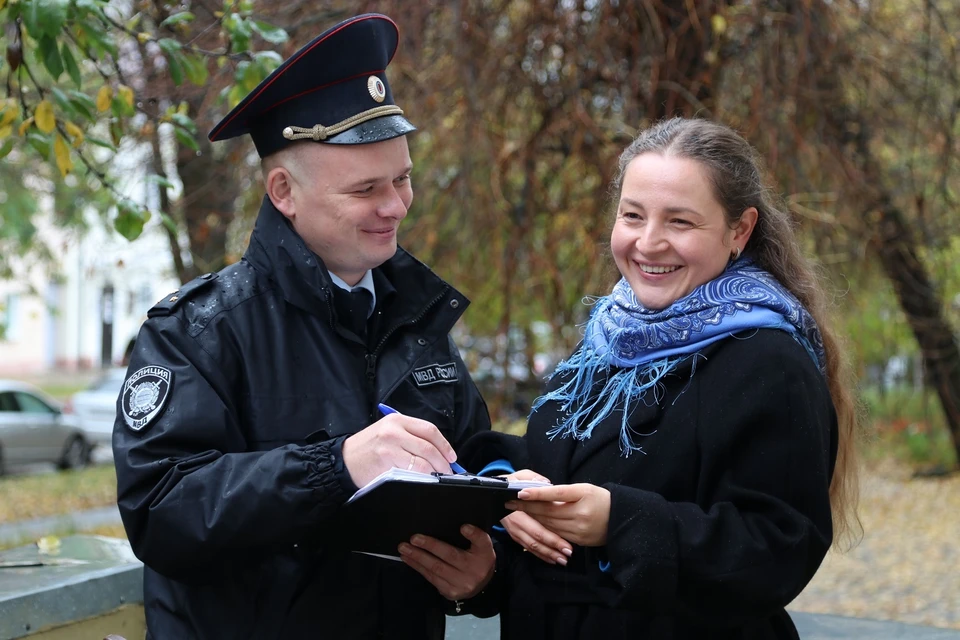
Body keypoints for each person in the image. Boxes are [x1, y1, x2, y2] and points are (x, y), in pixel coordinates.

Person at [113, 14, 495, 639]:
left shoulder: (417, 319)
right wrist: (336, 466)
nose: (396, 205)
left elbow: (469, 463)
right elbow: (160, 510)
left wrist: (488, 561)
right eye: (366, 188)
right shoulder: (199, 331)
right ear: (284, 191)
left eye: (403, 178)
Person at [455, 117, 860, 639]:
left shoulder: (769, 361)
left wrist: (622, 523)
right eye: (633, 215)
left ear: (739, 230)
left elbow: (778, 546)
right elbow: (570, 465)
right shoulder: (609, 336)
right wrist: (505, 492)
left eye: (680, 222)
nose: (648, 243)